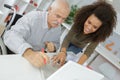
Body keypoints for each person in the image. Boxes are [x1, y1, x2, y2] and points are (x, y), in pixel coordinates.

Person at [3, 0, 70, 67]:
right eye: (58, 16)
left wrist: (54, 47)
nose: (60, 21)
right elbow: (10, 36)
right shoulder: (33, 17)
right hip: (18, 54)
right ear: (49, 9)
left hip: (37, 59)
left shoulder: (58, 28)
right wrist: (28, 53)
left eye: (63, 19)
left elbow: (56, 43)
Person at [52, 1, 117, 66]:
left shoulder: (97, 36)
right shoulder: (79, 23)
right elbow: (68, 38)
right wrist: (63, 52)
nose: (89, 27)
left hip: (78, 47)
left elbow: (88, 51)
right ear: (85, 17)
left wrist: (77, 66)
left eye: (95, 27)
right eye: (89, 22)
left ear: (100, 29)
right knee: (60, 54)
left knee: (67, 57)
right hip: (69, 40)